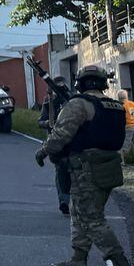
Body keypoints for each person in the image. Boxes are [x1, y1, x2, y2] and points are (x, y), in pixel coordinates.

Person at [35, 65, 134, 266]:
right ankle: (78, 259)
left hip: (86, 169)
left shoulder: (79, 105)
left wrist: (43, 151)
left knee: (91, 218)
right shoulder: (115, 106)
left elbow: (60, 135)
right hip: (108, 168)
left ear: (80, 83)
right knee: (79, 211)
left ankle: (121, 265)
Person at [38, 74, 74, 215]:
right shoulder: (48, 102)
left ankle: (73, 199)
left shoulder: (73, 100)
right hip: (55, 140)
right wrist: (48, 123)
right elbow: (40, 120)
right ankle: (64, 201)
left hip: (72, 139)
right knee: (60, 170)